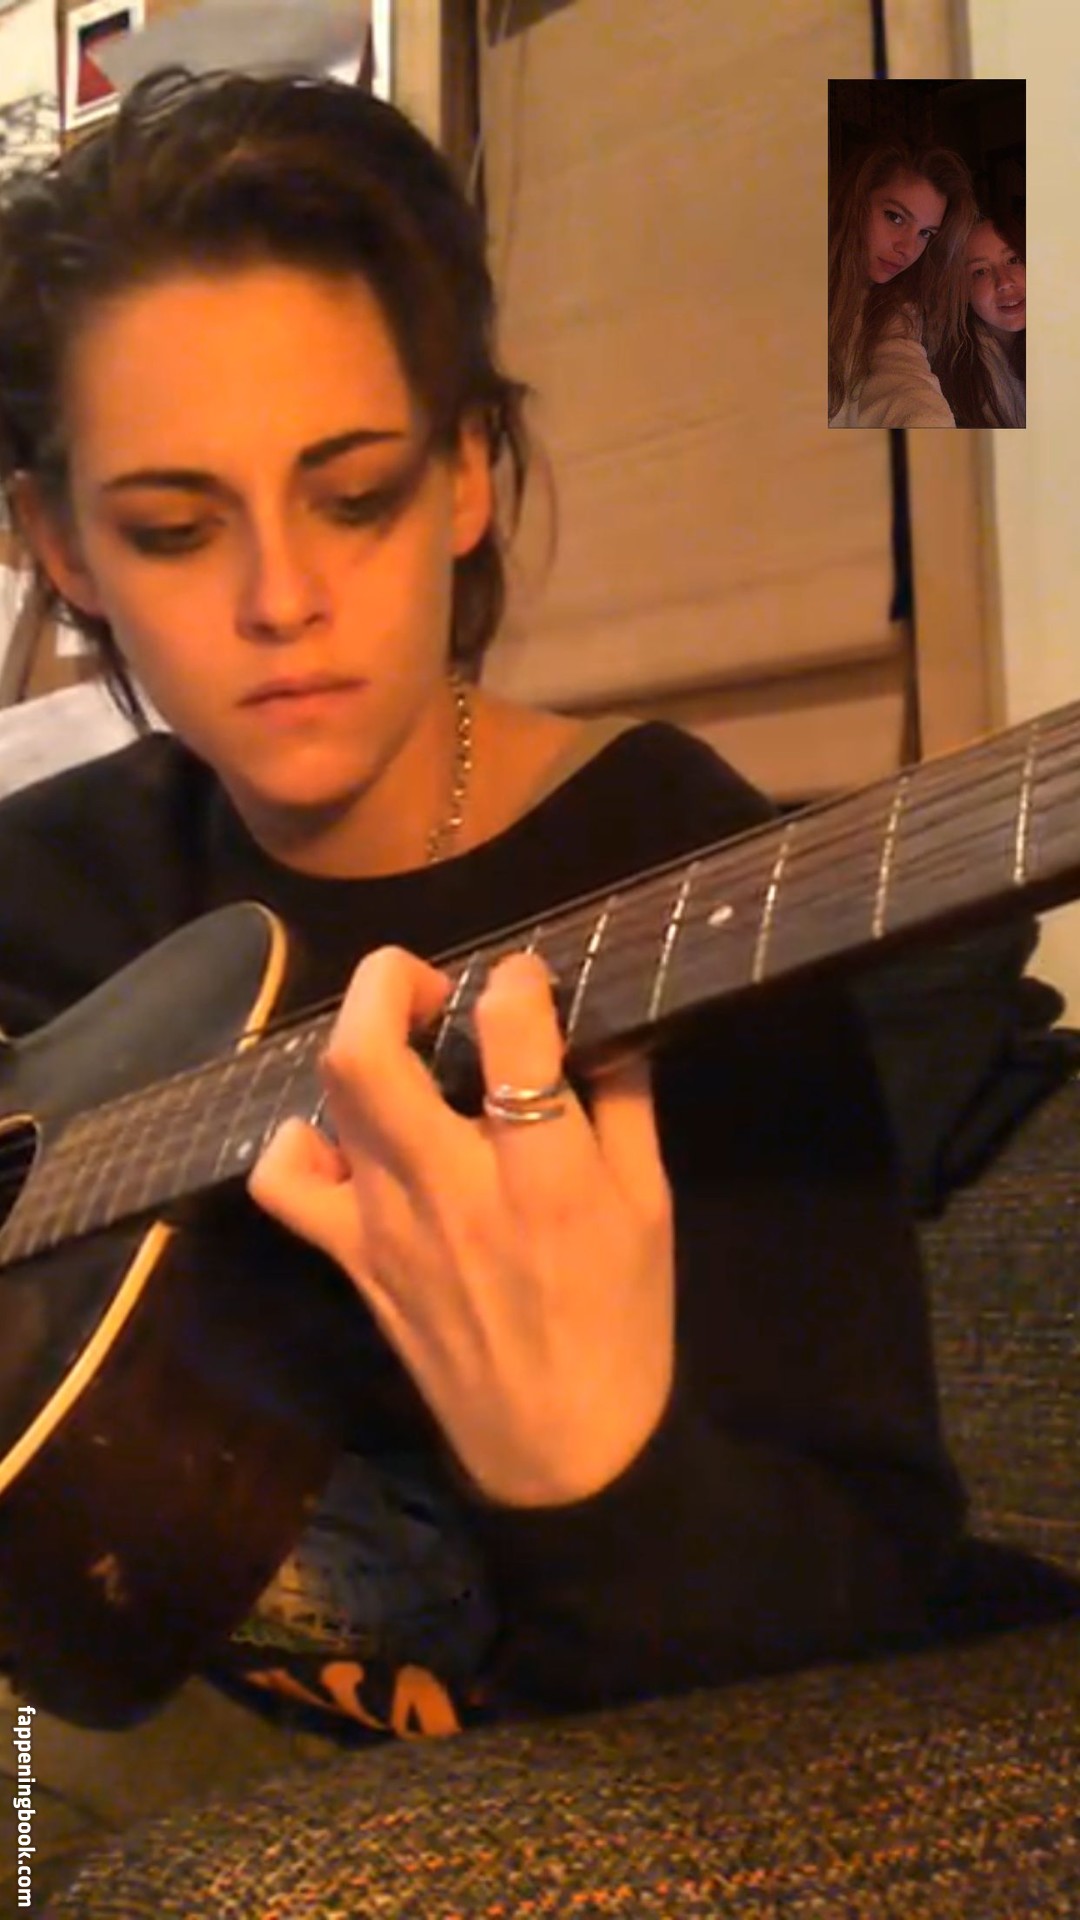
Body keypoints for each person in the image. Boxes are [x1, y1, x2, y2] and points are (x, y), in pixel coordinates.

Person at [0, 63, 964, 1826]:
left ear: (462, 476)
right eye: (173, 527)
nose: (281, 597)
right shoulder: (47, 879)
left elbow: (887, 1656)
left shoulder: (684, 868)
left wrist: (593, 1466)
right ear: (60, 546)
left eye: (355, 492)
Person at [829, 139, 977, 427]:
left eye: (925, 233)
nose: (908, 249)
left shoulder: (896, 309)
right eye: (895, 217)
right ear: (853, 202)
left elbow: (904, 377)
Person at [932, 212, 1026, 427]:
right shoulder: (955, 376)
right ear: (963, 291)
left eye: (1013, 260)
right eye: (980, 272)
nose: (1004, 282)